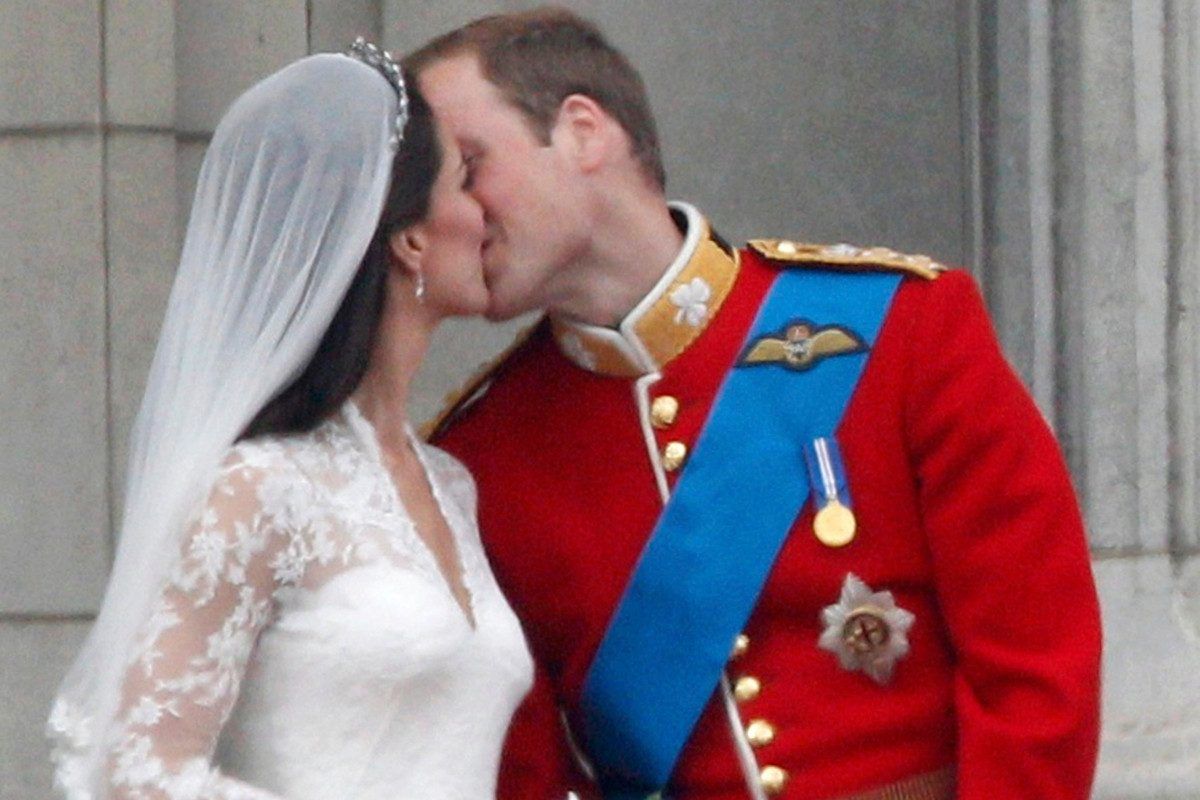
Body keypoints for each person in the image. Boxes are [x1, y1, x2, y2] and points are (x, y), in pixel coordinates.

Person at [410, 8, 1103, 800]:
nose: (450, 214)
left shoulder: (902, 329)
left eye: (469, 166)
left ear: (582, 132)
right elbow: (527, 772)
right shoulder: (480, 455)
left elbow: (1039, 671)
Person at [46, 42, 533, 800]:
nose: (488, 212)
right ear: (410, 238)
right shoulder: (259, 487)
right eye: (466, 181)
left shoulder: (450, 486)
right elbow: (137, 771)